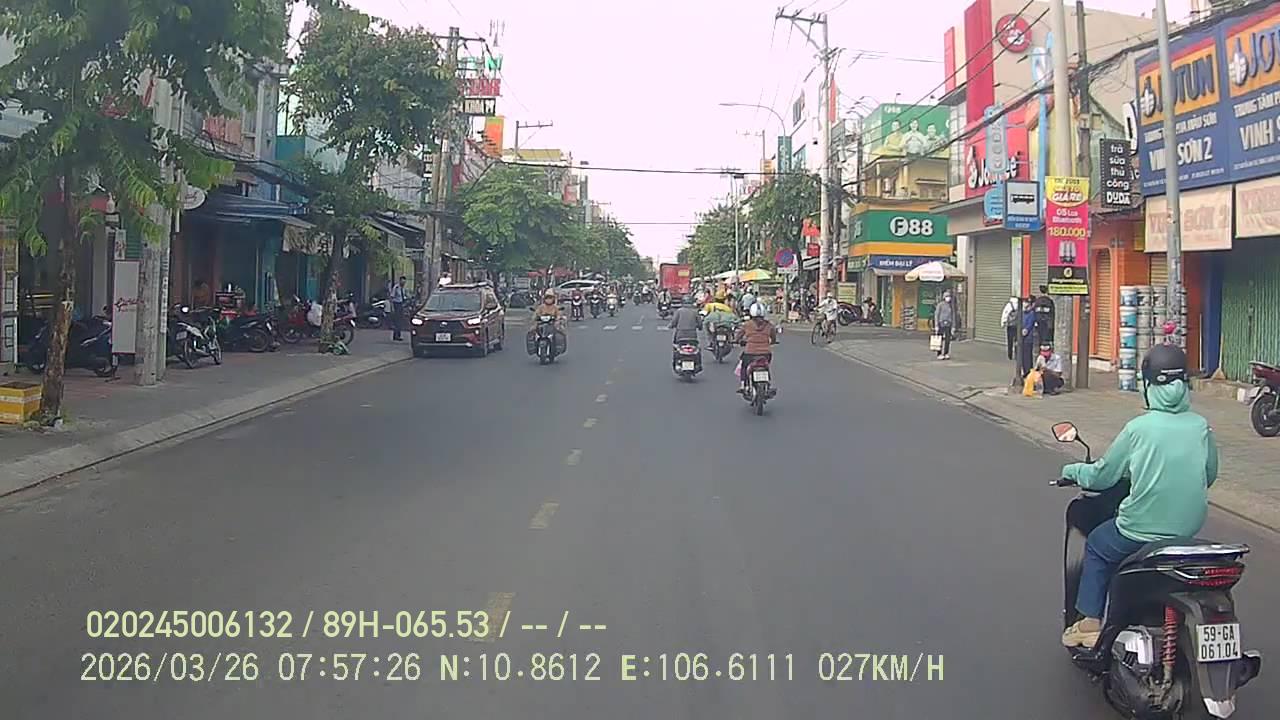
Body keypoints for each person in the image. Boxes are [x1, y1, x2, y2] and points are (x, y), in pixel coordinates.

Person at [1060, 345, 1217, 649]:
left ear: (1149, 386)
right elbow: (1208, 475)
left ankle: (1090, 623)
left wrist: (1074, 470)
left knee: (1098, 546)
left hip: (1140, 529)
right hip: (1187, 529)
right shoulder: (1200, 426)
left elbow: (1103, 476)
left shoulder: (1138, 429)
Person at [734, 302, 778, 393]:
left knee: (744, 366)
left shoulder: (747, 324)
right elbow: (773, 337)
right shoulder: (769, 325)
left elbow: (739, 335)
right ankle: (768, 384)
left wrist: (736, 340)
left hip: (750, 353)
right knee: (766, 366)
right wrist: (773, 342)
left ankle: (743, 384)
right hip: (766, 353)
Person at [933, 289, 957, 359]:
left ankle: (946, 353)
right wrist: (936, 325)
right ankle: (939, 353)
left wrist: (953, 326)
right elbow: (936, 315)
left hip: (948, 324)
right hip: (941, 323)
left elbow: (953, 316)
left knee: (947, 340)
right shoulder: (940, 305)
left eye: (949, 296)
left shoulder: (951, 306)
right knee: (939, 339)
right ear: (944, 297)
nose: (948, 298)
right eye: (947, 296)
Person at [1019, 296, 1037, 378]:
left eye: (1027, 303)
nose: (1025, 304)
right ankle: (1025, 371)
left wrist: (1025, 330)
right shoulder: (1022, 313)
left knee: (1027, 356)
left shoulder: (1032, 314)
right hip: (1022, 339)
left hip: (1028, 338)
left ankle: (1028, 372)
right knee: (1022, 356)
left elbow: (1029, 326)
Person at [1001, 296, 1020, 360]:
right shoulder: (1020, 303)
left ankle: (1010, 355)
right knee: (1017, 340)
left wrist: (1003, 322)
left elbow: (1005, 314)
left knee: (1010, 341)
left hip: (1010, 325)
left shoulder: (1009, 304)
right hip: (1018, 325)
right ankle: (1017, 354)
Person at [389, 276, 407, 341]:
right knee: (397, 321)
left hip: (401, 305)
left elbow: (404, 296)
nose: (403, 283)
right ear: (400, 281)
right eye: (402, 281)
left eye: (404, 282)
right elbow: (392, 297)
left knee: (400, 321)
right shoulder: (396, 288)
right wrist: (392, 307)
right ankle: (396, 335)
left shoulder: (403, 288)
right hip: (396, 304)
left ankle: (398, 335)